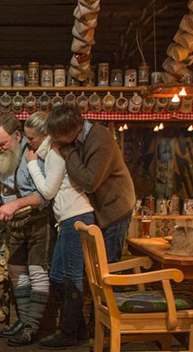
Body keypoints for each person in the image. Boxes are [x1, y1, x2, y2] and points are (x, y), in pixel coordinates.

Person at [22, 112, 94, 350]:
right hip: (67, 220)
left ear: (45, 135)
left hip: (77, 218)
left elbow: (48, 191)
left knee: (72, 277)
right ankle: (79, 329)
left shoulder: (54, 153)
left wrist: (32, 165)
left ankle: (69, 333)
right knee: (57, 276)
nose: (28, 143)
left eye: (31, 138)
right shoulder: (50, 152)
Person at [0, 113, 53, 346]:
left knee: (37, 271)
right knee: (15, 270)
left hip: (36, 219)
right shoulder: (2, 155)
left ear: (17, 135)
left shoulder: (34, 156)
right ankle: (24, 321)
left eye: (2, 142)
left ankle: (33, 326)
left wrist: (15, 204)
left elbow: (44, 196)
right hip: (14, 223)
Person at [46, 104, 135, 263]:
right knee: (96, 264)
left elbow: (89, 182)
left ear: (72, 132)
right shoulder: (79, 137)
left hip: (115, 209)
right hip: (101, 208)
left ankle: (113, 289)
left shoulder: (101, 139)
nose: (55, 142)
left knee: (108, 264)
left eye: (58, 138)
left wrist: (67, 150)